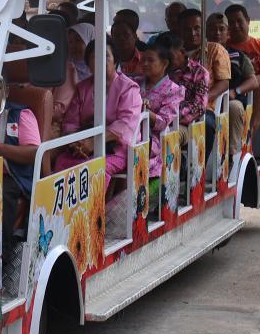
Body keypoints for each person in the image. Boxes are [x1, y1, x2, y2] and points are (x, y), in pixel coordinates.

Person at [55, 43, 142, 176]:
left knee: (95, 170)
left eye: (106, 55)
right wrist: (76, 144)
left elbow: (125, 124)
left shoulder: (128, 88)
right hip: (84, 147)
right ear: (88, 64)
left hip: (117, 149)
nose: (100, 60)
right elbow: (71, 122)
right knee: (61, 163)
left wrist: (94, 143)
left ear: (115, 61)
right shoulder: (82, 88)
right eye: (94, 56)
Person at [0, 76, 41, 254]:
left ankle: (2, 254)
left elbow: (34, 153)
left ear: (6, 92)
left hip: (10, 174)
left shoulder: (20, 115)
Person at [138, 42, 184, 219]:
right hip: (131, 134)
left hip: (155, 139)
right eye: (143, 60)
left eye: (150, 60)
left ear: (164, 64)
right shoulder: (134, 84)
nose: (145, 64)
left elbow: (163, 122)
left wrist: (145, 113)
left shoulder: (174, 90)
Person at [207, 12, 257, 156]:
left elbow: (253, 81)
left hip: (230, 100)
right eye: (212, 29)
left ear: (228, 33)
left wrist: (236, 91)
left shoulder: (238, 56)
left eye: (221, 29)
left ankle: (231, 154)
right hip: (207, 101)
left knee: (235, 107)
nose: (217, 33)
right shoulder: (200, 54)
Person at [224, 4, 260, 137]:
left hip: (250, 91)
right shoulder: (223, 46)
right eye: (231, 22)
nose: (235, 25)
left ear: (248, 21)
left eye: (239, 21)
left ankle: (251, 130)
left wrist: (246, 83)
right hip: (227, 89)